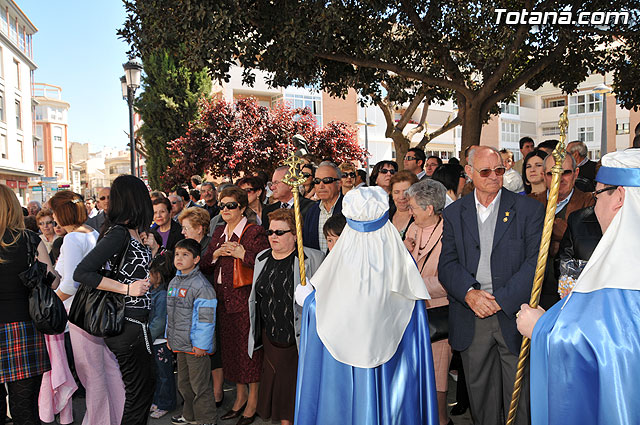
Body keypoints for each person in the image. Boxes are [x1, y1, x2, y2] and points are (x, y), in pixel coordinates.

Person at [294, 187, 438, 425]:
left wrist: (309, 301)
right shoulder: (401, 259)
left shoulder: (344, 259)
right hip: (393, 369)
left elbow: (332, 315)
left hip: (343, 368)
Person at [517, 149, 640, 425]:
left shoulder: (623, 269)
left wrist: (541, 328)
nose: (595, 206)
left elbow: (609, 348)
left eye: (597, 195)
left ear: (619, 197)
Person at [438, 146, 544, 425]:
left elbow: (536, 263)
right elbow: (447, 265)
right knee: (481, 402)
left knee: (520, 402)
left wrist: (501, 299)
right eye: (485, 171)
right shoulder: (454, 213)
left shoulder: (529, 209)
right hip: (471, 316)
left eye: (500, 170)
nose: (494, 177)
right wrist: (470, 294)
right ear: (469, 173)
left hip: (514, 314)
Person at [74, 175, 159, 425]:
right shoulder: (119, 233)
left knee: (142, 390)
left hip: (135, 321)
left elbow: (135, 273)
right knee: (139, 392)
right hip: (127, 323)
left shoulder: (132, 232)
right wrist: (126, 289)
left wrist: (152, 251)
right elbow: (82, 272)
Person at [51, 190, 126, 425]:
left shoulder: (73, 238)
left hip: (81, 315)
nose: (53, 217)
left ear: (62, 212)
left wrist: (51, 303)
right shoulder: (92, 232)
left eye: (54, 212)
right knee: (108, 369)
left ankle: (99, 420)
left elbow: (71, 283)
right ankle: (117, 417)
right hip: (96, 312)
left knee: (93, 374)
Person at [248, 209, 324, 425]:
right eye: (270, 231)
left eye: (280, 232)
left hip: (297, 341)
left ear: (295, 234)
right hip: (270, 336)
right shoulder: (261, 258)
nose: (273, 236)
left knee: (290, 399)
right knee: (278, 399)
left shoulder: (312, 259)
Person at [200, 187, 270, 425]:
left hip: (245, 300)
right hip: (222, 300)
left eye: (231, 205)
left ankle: (253, 402)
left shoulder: (254, 232)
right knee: (231, 353)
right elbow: (205, 265)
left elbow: (264, 262)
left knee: (249, 353)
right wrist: (216, 254)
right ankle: (239, 399)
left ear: (241, 208)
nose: (226, 210)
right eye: (222, 206)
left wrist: (242, 254)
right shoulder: (219, 231)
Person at [0, 184, 56, 425]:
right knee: (25, 410)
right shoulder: (30, 240)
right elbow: (53, 283)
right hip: (22, 329)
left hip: (16, 329)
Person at [403, 179, 451, 425]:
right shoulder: (411, 228)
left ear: (430, 209)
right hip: (412, 316)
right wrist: (404, 251)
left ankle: (441, 420)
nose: (409, 211)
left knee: (437, 379)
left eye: (413, 207)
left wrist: (416, 288)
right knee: (416, 377)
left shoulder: (450, 232)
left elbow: (449, 280)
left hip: (438, 315)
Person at [529, 153, 594, 309]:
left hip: (574, 296)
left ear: (576, 173)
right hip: (534, 293)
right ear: (544, 175)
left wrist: (550, 231)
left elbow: (584, 243)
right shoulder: (530, 203)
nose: (560, 178)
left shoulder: (589, 201)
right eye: (553, 173)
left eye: (566, 172)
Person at [167, 239, 217, 425]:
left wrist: (201, 345)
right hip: (180, 344)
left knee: (200, 387)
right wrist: (169, 337)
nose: (179, 258)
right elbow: (170, 313)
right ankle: (190, 416)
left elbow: (206, 319)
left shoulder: (202, 287)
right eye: (177, 254)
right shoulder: (174, 281)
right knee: (184, 385)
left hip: (196, 348)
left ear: (196, 259)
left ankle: (207, 420)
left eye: (185, 255)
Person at [178, 206, 225, 407]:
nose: (183, 232)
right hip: (192, 306)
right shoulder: (185, 246)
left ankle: (217, 393)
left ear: (199, 228)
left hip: (210, 304)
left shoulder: (210, 246)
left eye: (186, 227)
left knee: (213, 350)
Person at [148, 250, 177, 420]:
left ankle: (166, 403)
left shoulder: (163, 295)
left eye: (151, 274)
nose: (148, 277)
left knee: (164, 374)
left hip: (159, 341)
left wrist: (147, 337)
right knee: (156, 373)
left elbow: (159, 323)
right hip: (154, 340)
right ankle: (158, 399)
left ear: (159, 275)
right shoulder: (154, 291)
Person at [302, 162, 344, 251]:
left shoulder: (349, 209)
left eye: (327, 180)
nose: (321, 186)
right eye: (317, 181)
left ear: (339, 183)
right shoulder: (311, 211)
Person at [389, 170, 418, 239]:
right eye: (396, 192)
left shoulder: (420, 217)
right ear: (392, 194)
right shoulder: (385, 215)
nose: (401, 197)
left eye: (406, 192)